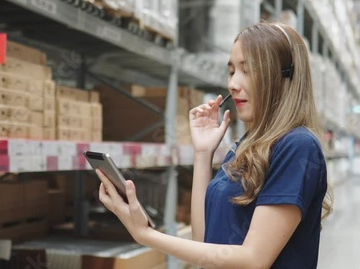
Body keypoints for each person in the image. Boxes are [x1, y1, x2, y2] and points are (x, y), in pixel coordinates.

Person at [95, 22, 333, 269]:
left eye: (247, 70)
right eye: (231, 72)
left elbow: (254, 259)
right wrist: (202, 153)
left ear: (284, 76)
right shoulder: (244, 147)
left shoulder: (297, 146)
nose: (233, 84)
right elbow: (205, 240)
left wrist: (146, 235)